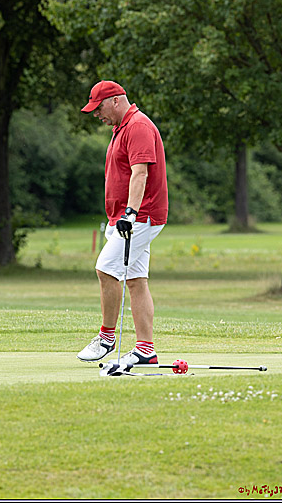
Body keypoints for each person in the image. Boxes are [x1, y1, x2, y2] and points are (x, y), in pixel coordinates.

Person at [77, 80, 168, 366]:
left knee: (106, 270)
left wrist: (129, 213)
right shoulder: (122, 128)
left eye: (99, 107)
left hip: (140, 216)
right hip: (127, 217)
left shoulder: (138, 126)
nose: (97, 114)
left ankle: (106, 338)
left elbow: (140, 173)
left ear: (116, 100)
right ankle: (145, 349)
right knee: (137, 281)